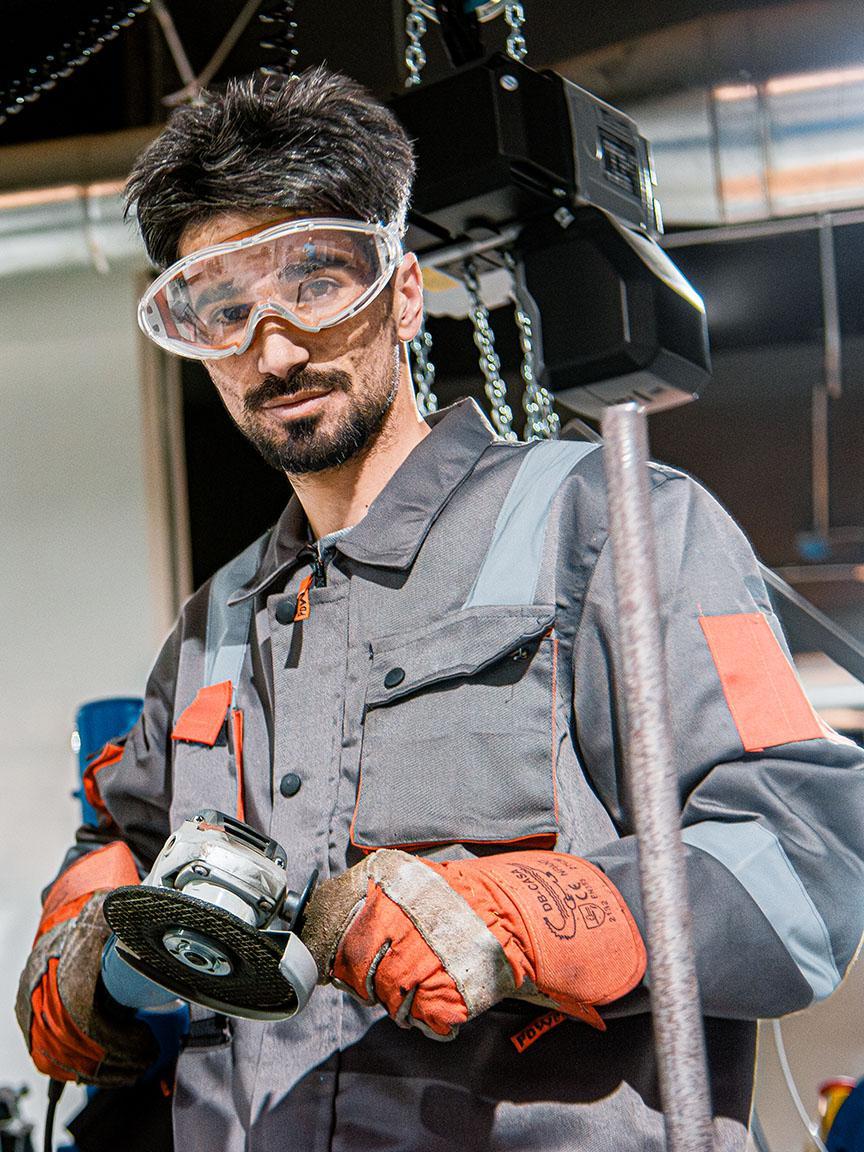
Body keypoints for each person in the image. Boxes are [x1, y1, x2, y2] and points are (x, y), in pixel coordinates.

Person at [16, 65, 864, 1152]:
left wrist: (527, 919)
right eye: (222, 310)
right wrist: (92, 948)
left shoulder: (612, 528)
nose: (273, 349)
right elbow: (115, 843)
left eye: (315, 282)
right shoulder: (214, 625)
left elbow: (806, 864)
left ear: (403, 292)